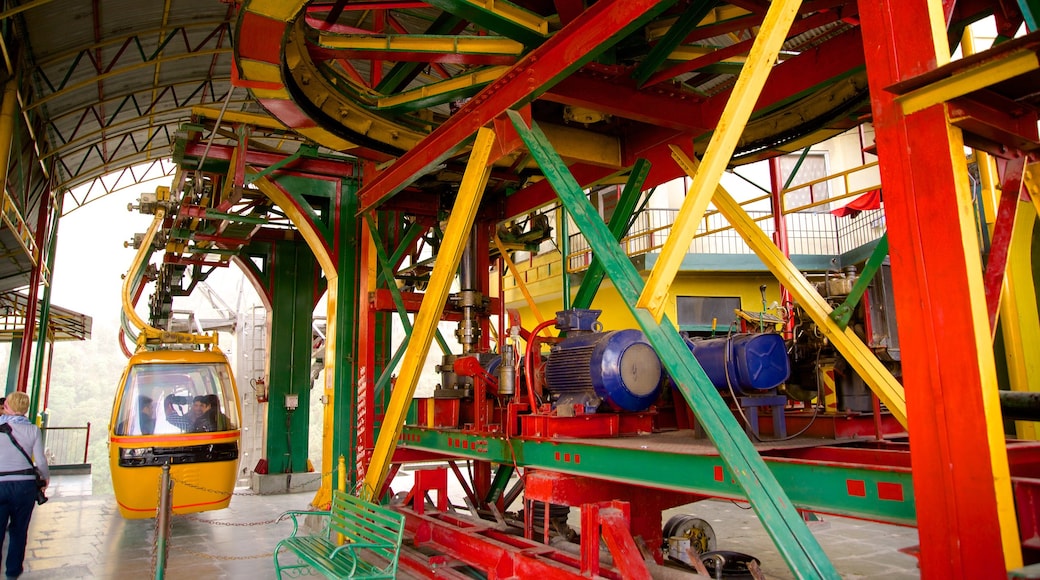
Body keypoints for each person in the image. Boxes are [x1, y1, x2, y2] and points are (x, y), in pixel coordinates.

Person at [0, 392, 49, 579]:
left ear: (7, 406)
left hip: (1, 483)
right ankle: (12, 573)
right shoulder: (33, 430)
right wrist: (45, 479)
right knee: (19, 530)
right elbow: (41, 461)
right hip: (25, 486)